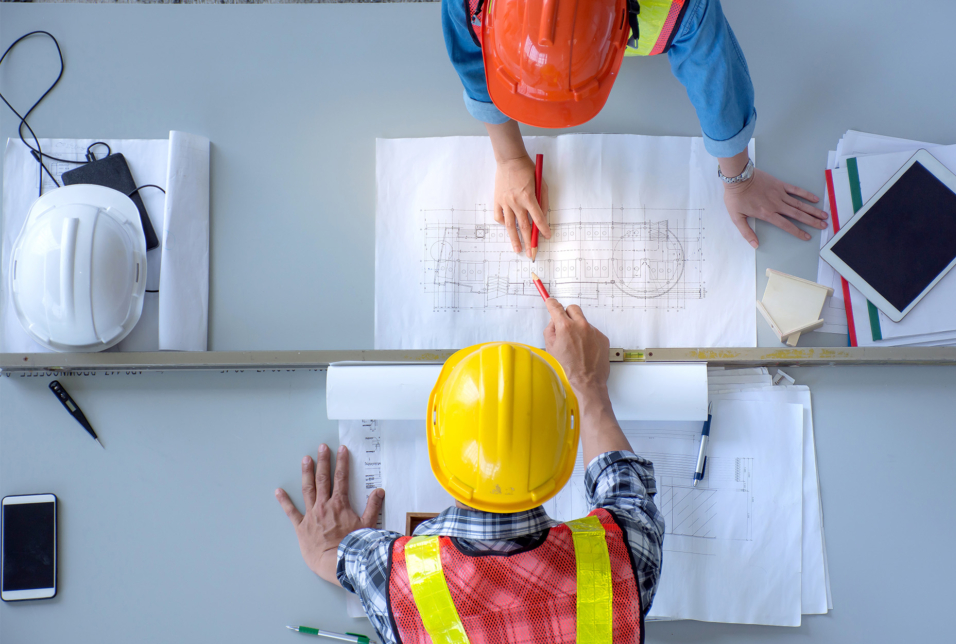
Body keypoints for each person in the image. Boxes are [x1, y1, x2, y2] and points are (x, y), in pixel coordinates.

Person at [275, 298, 664, 644]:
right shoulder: (622, 557)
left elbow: (331, 555)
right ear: (565, 451)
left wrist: (327, 546)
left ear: (437, 446)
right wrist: (587, 383)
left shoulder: (392, 576)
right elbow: (624, 490)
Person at [442, 0, 828, 252]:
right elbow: (473, 64)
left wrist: (738, 178)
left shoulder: (681, 6)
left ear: (622, 31)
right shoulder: (468, 5)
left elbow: (715, 77)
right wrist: (509, 159)